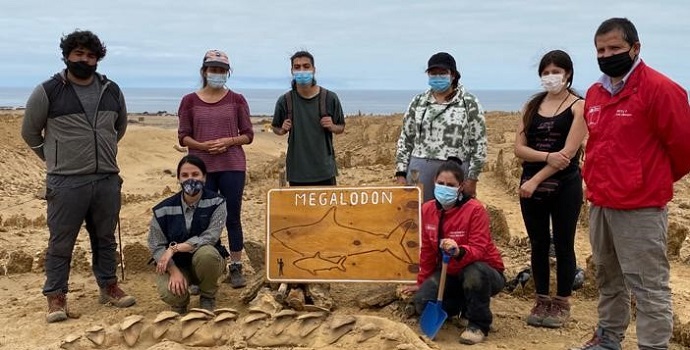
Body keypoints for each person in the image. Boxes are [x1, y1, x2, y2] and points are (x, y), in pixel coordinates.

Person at [571, 18, 690, 350]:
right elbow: (597, 144)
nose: (607, 55)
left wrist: (646, 181)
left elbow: (683, 150)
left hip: (640, 208)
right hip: (600, 202)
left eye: (615, 48)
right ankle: (608, 338)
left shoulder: (661, 89)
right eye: (601, 50)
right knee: (607, 278)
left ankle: (653, 346)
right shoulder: (595, 93)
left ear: (635, 48)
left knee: (648, 286)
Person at [20, 30, 135, 323]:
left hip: (107, 179)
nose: (85, 60)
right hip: (66, 182)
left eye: (91, 55)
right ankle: (56, 297)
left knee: (105, 238)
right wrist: (54, 159)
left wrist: (101, 154)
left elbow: (118, 129)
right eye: (79, 54)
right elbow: (30, 132)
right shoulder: (48, 91)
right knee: (61, 242)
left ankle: (108, 286)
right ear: (67, 55)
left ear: (98, 59)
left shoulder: (112, 90)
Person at [514, 49, 586, 329]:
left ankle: (562, 302)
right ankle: (542, 298)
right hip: (531, 187)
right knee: (538, 243)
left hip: (564, 185)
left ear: (567, 74)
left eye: (556, 72)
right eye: (545, 72)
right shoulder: (531, 106)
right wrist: (544, 158)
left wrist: (535, 179)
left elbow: (567, 153)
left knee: (564, 244)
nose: (550, 77)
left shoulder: (578, 106)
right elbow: (519, 149)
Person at [402, 157, 505, 345]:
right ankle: (461, 304)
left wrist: (459, 251)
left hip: (485, 273)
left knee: (473, 272)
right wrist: (421, 281)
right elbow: (426, 250)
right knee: (423, 301)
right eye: (441, 183)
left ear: (460, 186)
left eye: (451, 184)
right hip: (449, 273)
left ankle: (478, 324)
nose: (444, 187)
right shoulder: (427, 209)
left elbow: (480, 249)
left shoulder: (474, 209)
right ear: (434, 182)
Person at [178, 49, 254, 289]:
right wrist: (202, 146)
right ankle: (205, 267)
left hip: (232, 166)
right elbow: (183, 137)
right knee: (202, 219)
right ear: (204, 71)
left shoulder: (237, 99)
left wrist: (228, 142)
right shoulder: (189, 101)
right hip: (201, 169)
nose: (217, 74)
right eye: (213, 70)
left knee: (232, 216)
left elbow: (248, 135)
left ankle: (236, 266)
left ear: (227, 73)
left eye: (222, 71)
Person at [395, 52, 487, 201]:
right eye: (433, 73)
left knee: (454, 217)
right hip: (419, 171)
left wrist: (472, 178)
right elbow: (405, 138)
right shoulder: (418, 102)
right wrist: (400, 173)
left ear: (453, 75)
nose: (437, 77)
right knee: (418, 214)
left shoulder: (469, 103)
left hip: (455, 171)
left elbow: (479, 143)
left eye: (442, 73)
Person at [148, 155, 228, 313]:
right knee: (171, 294)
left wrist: (175, 248)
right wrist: (173, 271)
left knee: (207, 254)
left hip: (205, 262)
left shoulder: (217, 202)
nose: (190, 179)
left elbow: (211, 236)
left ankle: (207, 295)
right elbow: (156, 246)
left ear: (204, 177)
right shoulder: (162, 209)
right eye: (185, 175)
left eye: (195, 174)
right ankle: (181, 300)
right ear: (178, 179)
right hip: (178, 265)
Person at [271, 50, 345, 186]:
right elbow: (275, 127)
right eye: (297, 67)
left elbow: (341, 127)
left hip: (325, 170)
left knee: (328, 208)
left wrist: (332, 126)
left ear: (314, 69)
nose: (302, 70)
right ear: (292, 70)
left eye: (306, 66)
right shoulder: (285, 101)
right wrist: (282, 130)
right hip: (297, 173)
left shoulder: (330, 98)